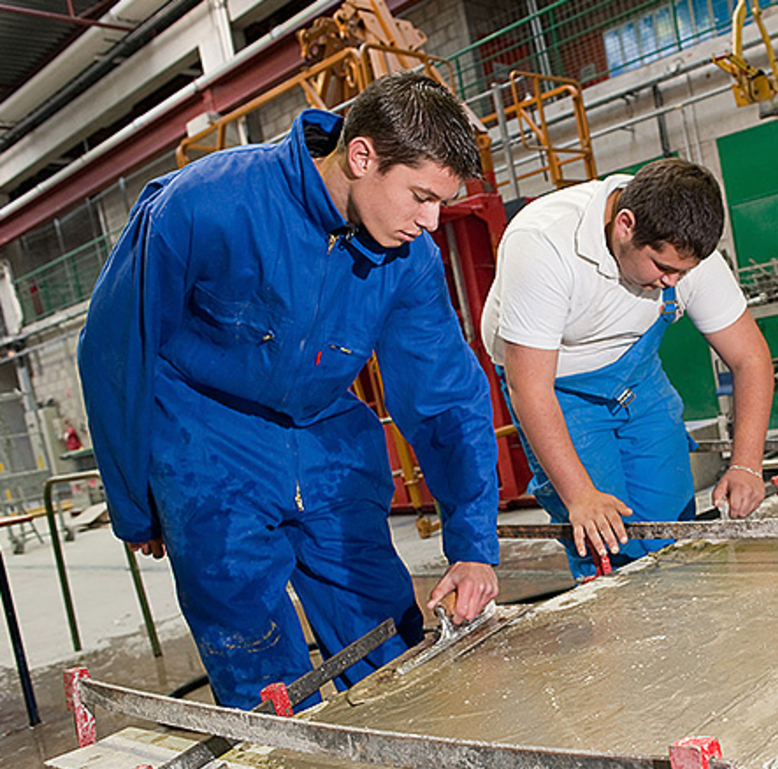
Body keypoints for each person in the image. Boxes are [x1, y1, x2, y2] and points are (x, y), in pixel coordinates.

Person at [78, 73, 500, 709]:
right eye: (419, 197)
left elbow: (443, 392)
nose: (431, 221)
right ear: (361, 157)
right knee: (259, 663)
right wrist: (136, 503)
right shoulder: (204, 205)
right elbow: (115, 351)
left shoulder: (409, 257)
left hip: (327, 441)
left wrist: (472, 544)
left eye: (442, 201)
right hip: (206, 444)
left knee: (390, 637)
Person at [481, 158, 774, 581]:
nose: (674, 281)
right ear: (625, 224)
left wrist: (747, 464)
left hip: (638, 380)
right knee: (605, 540)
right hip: (558, 390)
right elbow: (530, 389)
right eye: (663, 268)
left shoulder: (685, 248)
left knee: (673, 533)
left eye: (684, 272)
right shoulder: (543, 242)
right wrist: (581, 495)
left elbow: (750, 358)